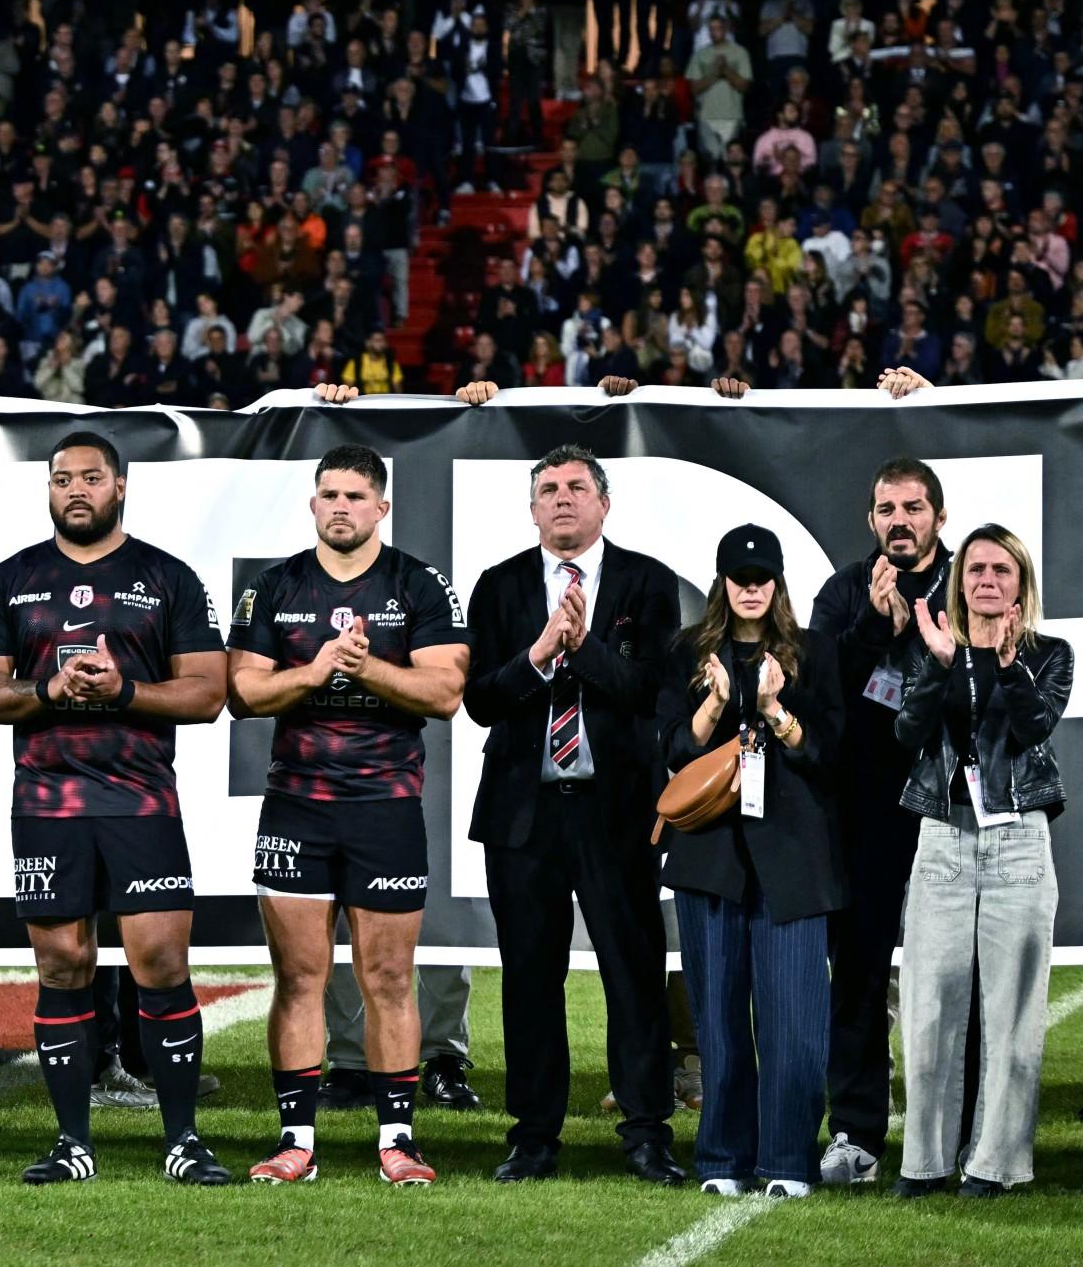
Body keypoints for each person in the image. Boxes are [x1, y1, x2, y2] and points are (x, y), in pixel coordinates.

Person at [0, 429, 232, 1187]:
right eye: (61, 478)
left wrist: (125, 693)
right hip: (47, 803)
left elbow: (208, 692)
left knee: (162, 962)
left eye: (91, 477)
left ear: (120, 487)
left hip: (141, 801)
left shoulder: (166, 576)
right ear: (47, 489)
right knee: (62, 964)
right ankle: (72, 1141)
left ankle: (183, 1140)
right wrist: (47, 690)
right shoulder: (12, 580)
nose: (75, 489)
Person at [227, 445, 470, 1186]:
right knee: (298, 978)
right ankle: (296, 1139)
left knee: (389, 978)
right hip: (296, 806)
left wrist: (366, 668)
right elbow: (242, 692)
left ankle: (397, 1141)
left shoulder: (419, 584)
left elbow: (446, 690)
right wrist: (316, 667)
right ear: (312, 503)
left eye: (356, 496)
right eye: (329, 494)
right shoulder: (273, 586)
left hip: (385, 807)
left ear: (381, 507)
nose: (341, 506)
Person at [462, 446, 686, 1185]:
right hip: (523, 815)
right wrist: (536, 655)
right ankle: (533, 1135)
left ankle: (647, 1130)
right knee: (529, 976)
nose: (563, 499)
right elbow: (480, 701)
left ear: (604, 502)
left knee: (633, 972)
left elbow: (653, 691)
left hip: (615, 811)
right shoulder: (498, 585)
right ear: (532, 509)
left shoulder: (645, 581)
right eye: (549, 490)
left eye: (577, 487)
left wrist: (581, 649)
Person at [659, 524, 843, 1200]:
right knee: (717, 1020)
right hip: (711, 857)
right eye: (740, 577)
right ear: (722, 582)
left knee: (793, 1020)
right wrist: (712, 703)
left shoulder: (814, 653)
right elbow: (670, 750)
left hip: (793, 858)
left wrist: (774, 707)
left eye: (762, 575)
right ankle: (721, 1159)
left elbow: (830, 752)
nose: (751, 586)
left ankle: (789, 1157)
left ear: (779, 581)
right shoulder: (686, 651)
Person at [893, 527, 1067, 1197]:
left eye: (1001, 569)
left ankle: (994, 1164)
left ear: (1021, 582)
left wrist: (1005, 661)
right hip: (944, 837)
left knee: (1013, 1010)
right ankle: (926, 1162)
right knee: (928, 1005)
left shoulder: (1051, 654)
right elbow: (905, 734)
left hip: (1020, 842)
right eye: (975, 570)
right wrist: (939, 664)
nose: (987, 580)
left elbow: (1034, 727)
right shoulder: (933, 648)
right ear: (959, 581)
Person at [805, 459, 949, 1187]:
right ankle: (856, 1130)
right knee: (857, 974)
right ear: (870, 520)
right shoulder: (841, 591)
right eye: (887, 507)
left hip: (951, 813)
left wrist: (925, 638)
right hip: (861, 815)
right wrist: (869, 627)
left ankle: (951, 1129)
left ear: (938, 518)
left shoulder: (970, 583)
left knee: (953, 976)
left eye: (914, 506)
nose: (900, 519)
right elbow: (817, 692)